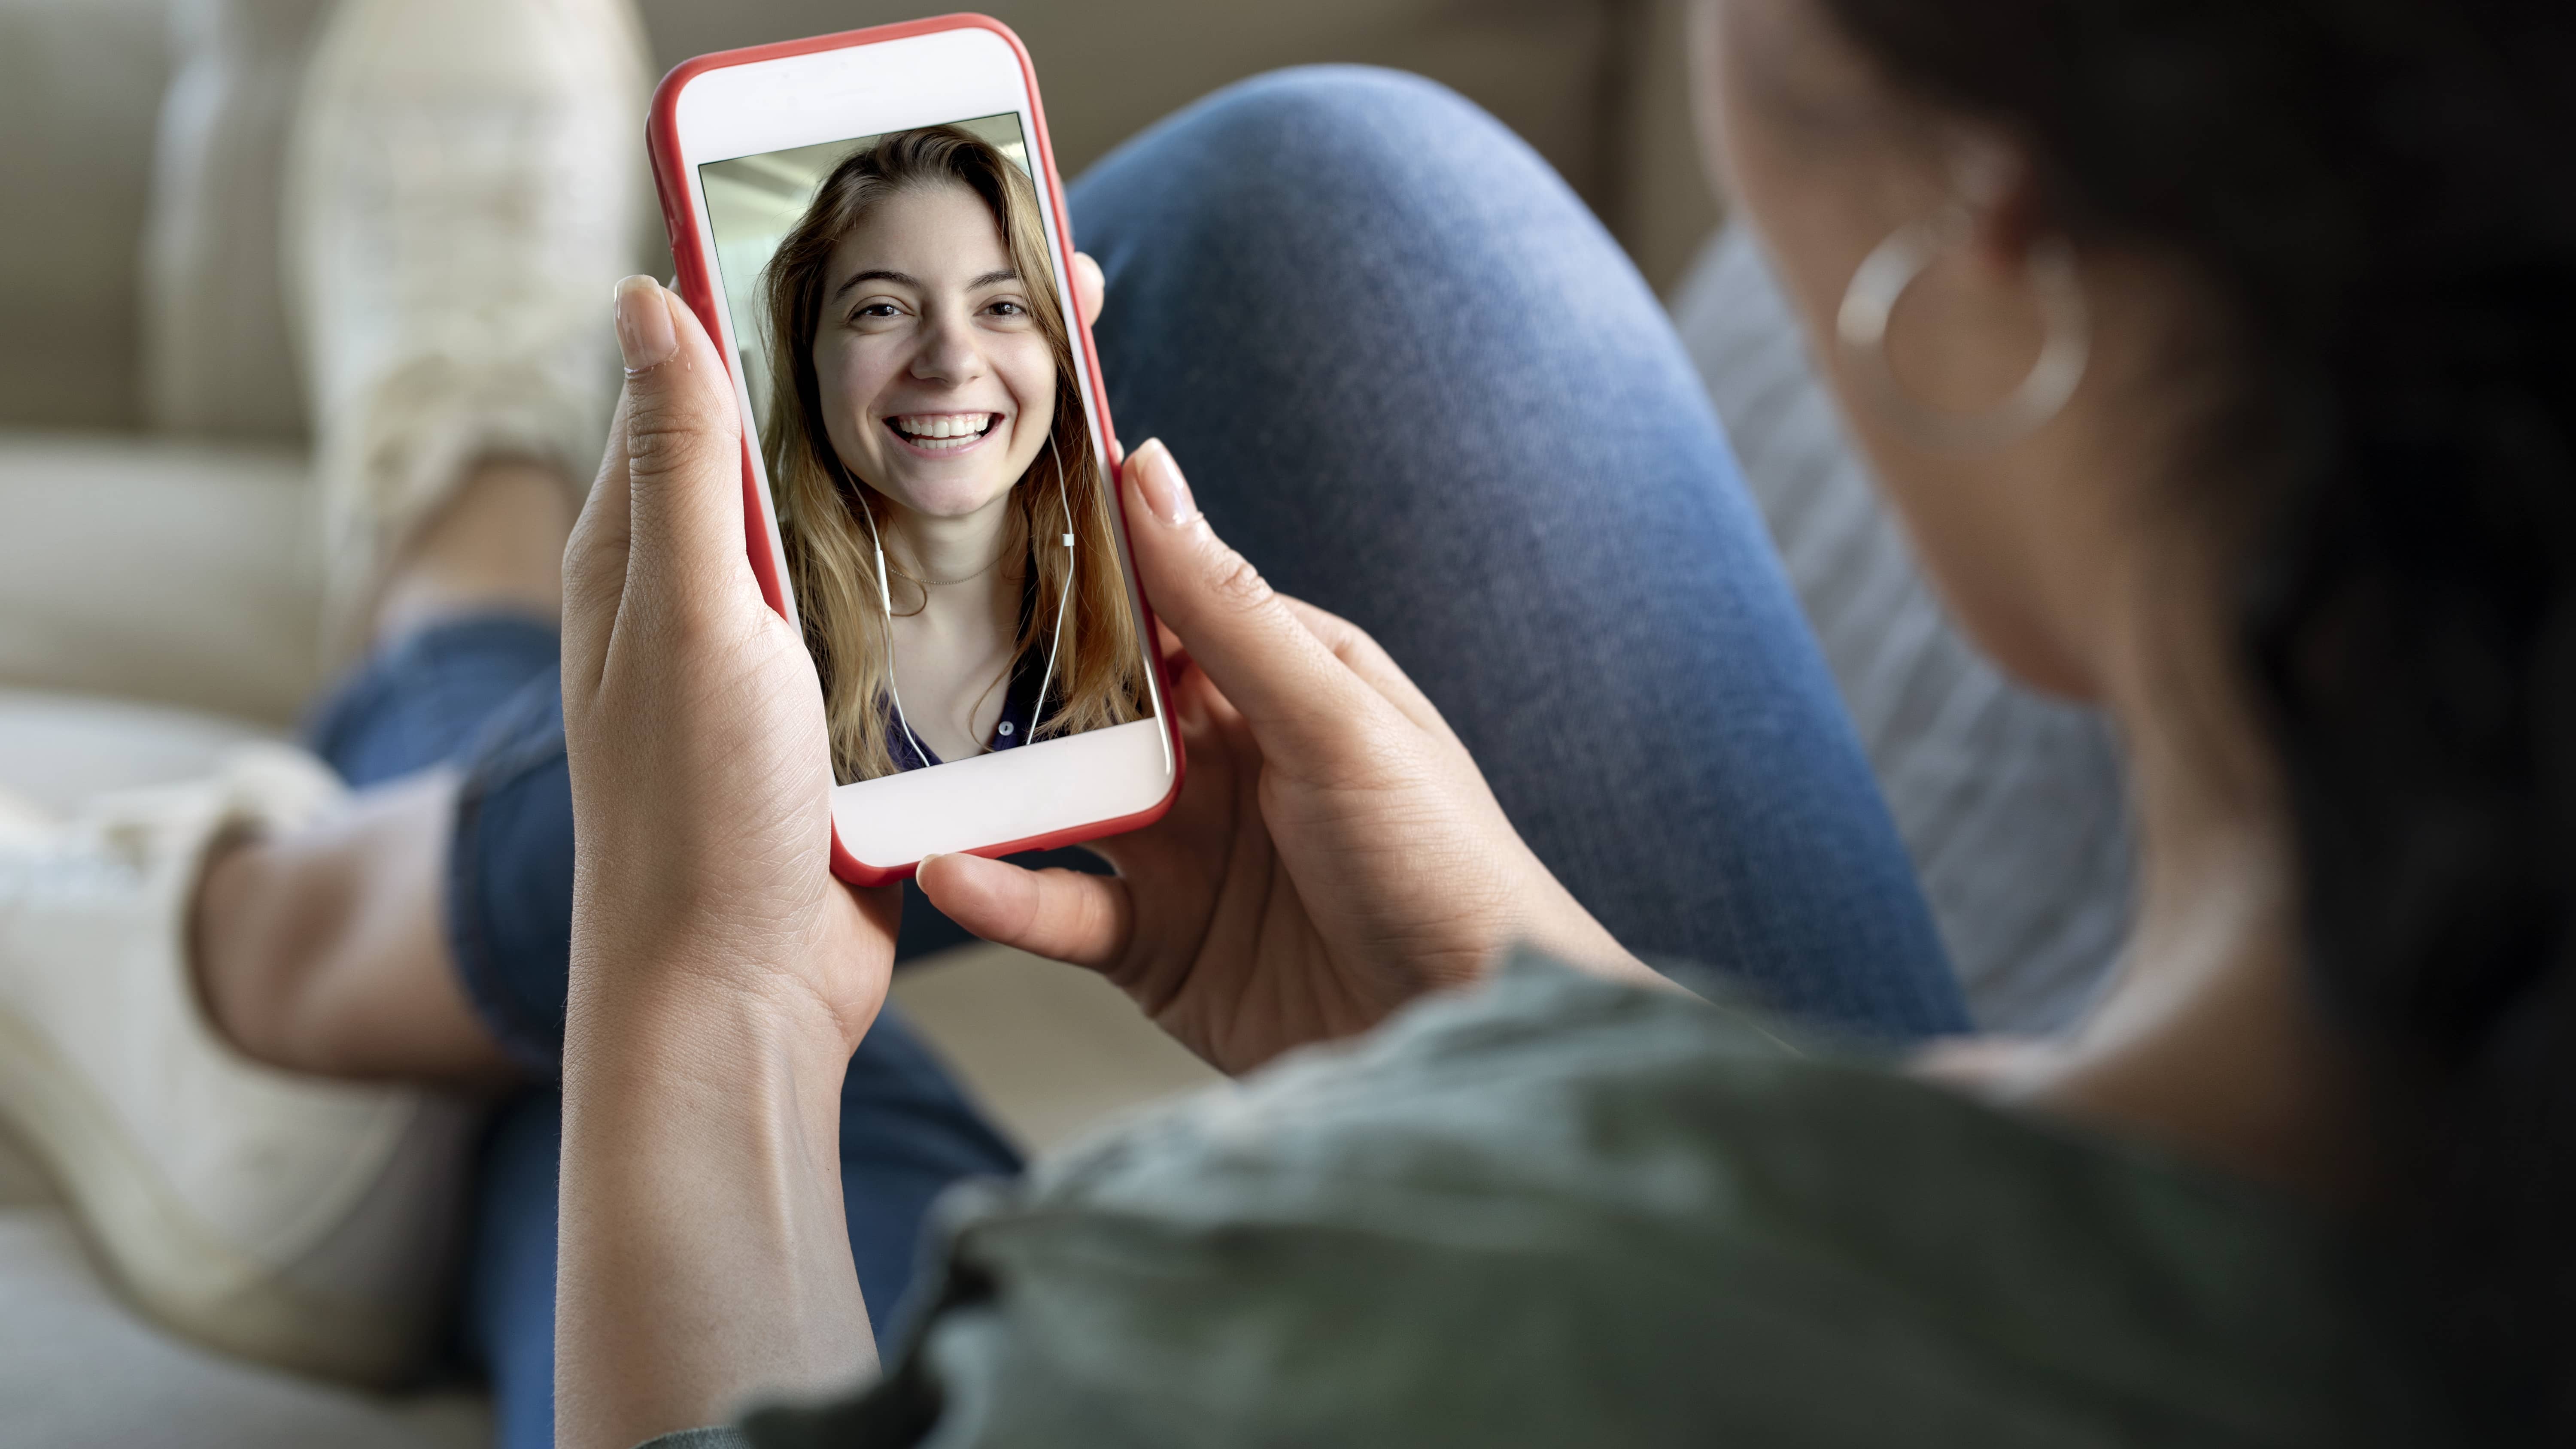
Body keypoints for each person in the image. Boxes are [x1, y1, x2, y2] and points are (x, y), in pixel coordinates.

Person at [552, 0, 2573, 1446]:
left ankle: (434, 671)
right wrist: (1565, 1011)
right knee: (1325, 204)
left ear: (1986, 254)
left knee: (744, 1135)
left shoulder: (1304, 1324)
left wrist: (702, 1002)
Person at [760, 126, 1149, 780]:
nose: (950, 362)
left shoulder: (1155, 604)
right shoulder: (749, 631)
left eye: (1003, 305)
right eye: (882, 309)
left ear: (1059, 354)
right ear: (810, 364)